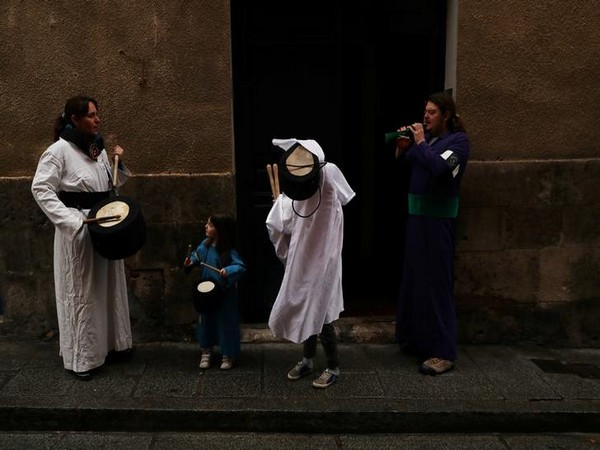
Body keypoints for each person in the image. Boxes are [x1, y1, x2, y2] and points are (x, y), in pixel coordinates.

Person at [31, 95, 134, 381]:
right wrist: (72, 222)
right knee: (82, 292)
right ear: (74, 120)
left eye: (97, 114)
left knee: (108, 286)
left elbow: (107, 184)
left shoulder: (95, 148)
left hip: (104, 224)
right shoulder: (58, 151)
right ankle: (84, 357)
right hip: (80, 227)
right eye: (91, 115)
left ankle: (113, 345)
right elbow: (41, 190)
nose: (97, 119)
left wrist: (117, 164)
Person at [266, 138, 355, 389]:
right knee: (307, 303)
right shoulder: (298, 178)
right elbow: (290, 209)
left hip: (325, 252)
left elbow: (345, 197)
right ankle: (307, 359)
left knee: (322, 310)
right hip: (303, 250)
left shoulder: (329, 172)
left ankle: (333, 366)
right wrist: (281, 207)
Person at [394, 92, 471, 375]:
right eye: (425, 112)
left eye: (432, 113)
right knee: (416, 279)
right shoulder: (432, 142)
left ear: (447, 115)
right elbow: (413, 161)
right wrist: (403, 147)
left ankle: (443, 352)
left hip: (438, 222)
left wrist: (419, 143)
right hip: (417, 219)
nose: (425, 117)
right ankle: (415, 338)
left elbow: (439, 168)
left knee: (437, 282)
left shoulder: (459, 143)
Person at [184, 213, 246, 370]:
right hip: (207, 292)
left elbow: (240, 267)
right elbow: (195, 256)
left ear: (220, 230)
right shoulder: (204, 246)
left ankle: (228, 354)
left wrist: (228, 270)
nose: (206, 226)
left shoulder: (229, 251)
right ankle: (206, 351)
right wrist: (190, 261)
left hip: (225, 293)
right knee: (206, 321)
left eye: (210, 225)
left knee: (227, 322)